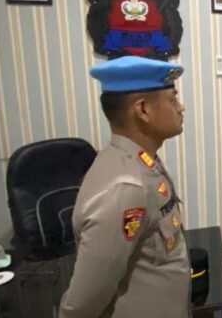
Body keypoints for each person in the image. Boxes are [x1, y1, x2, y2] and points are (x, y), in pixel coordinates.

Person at [60, 56, 190, 318]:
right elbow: (83, 303)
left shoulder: (142, 161)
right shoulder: (125, 189)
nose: (181, 107)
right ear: (143, 110)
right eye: (172, 99)